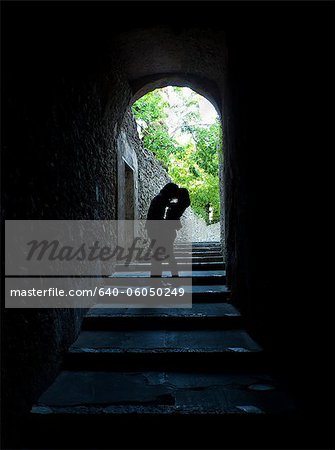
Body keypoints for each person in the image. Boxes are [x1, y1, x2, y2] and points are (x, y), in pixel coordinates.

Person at [145, 183, 179, 277]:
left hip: (153, 229)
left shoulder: (160, 198)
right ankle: (173, 278)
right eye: (173, 194)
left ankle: (156, 279)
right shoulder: (161, 199)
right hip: (156, 231)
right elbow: (158, 218)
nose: (173, 197)